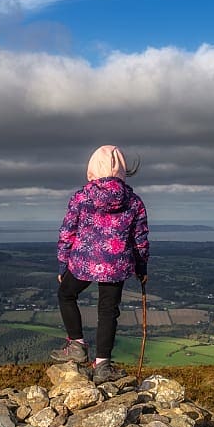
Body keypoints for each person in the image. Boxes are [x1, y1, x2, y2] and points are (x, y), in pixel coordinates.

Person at [52, 145, 149, 384]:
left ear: (92, 168)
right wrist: (141, 268)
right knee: (108, 311)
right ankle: (103, 364)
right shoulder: (134, 201)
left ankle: (76, 345)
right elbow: (140, 239)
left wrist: (63, 265)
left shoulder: (81, 197)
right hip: (116, 264)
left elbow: (67, 233)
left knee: (66, 294)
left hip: (83, 261)